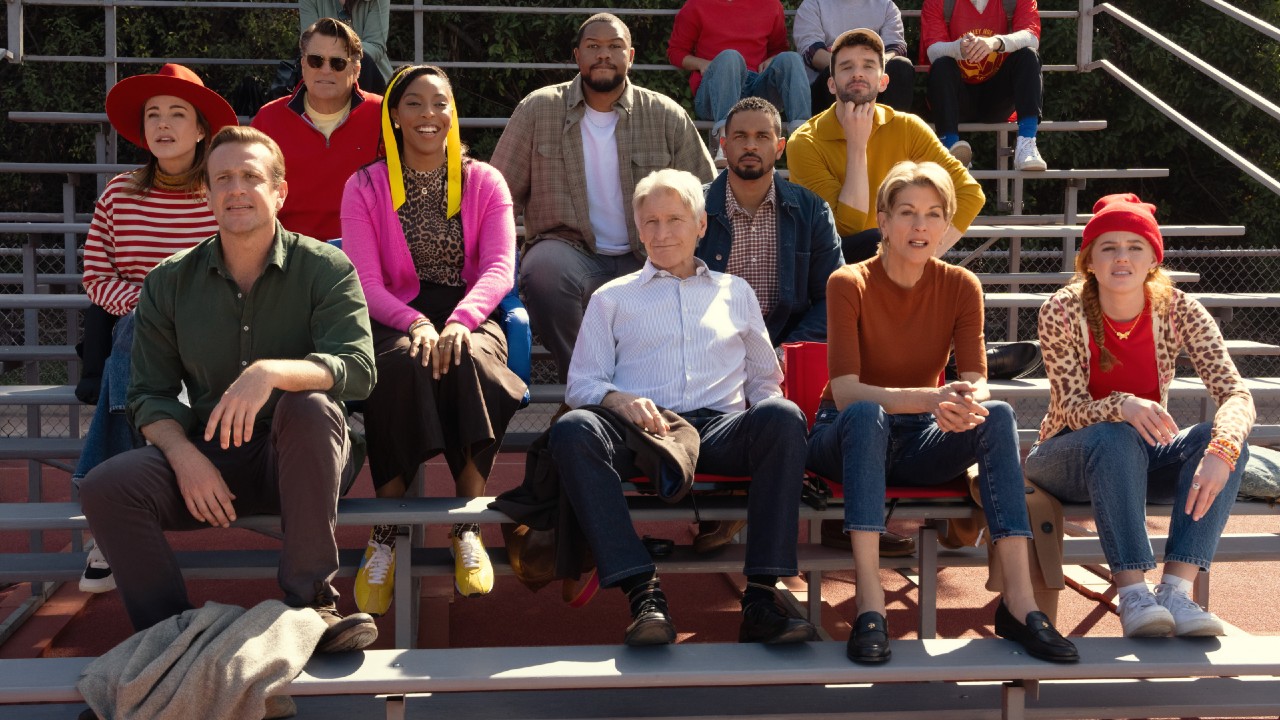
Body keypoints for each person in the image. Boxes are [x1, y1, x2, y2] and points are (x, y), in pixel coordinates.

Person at [78, 126, 380, 653]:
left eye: (250, 176)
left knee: (308, 405)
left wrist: (271, 372)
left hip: (303, 457)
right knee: (106, 486)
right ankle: (171, 638)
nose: (236, 189)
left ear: (280, 191)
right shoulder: (169, 280)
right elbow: (149, 393)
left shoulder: (326, 267)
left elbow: (358, 367)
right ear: (207, 194)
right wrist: (181, 454)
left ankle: (312, 605)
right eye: (222, 179)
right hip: (211, 458)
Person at [805, 161, 1077, 665]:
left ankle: (1019, 603)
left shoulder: (961, 285)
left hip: (918, 437)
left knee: (995, 414)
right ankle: (870, 606)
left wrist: (963, 401)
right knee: (866, 415)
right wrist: (934, 399)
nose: (920, 226)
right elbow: (844, 392)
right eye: (906, 212)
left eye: (933, 214)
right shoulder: (848, 282)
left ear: (947, 224)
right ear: (883, 221)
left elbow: (975, 377)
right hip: (844, 436)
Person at [550, 168, 817, 647]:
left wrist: (776, 426)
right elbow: (582, 384)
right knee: (574, 428)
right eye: (649, 221)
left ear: (701, 225)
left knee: (783, 416)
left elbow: (763, 380)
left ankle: (760, 597)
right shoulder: (612, 298)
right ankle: (643, 593)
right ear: (637, 228)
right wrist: (618, 399)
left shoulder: (736, 292)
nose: (661, 232)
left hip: (720, 430)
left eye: (674, 219)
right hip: (645, 434)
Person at [695, 97, 925, 557]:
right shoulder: (696, 206)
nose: (750, 146)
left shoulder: (810, 208)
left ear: (779, 147)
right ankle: (726, 502)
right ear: (722, 144)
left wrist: (793, 347)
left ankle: (847, 516)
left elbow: (833, 293)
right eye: (740, 136)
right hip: (714, 343)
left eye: (762, 136)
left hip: (790, 340)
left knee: (850, 360)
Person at [340, 65, 528, 615]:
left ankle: (465, 522)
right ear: (394, 116)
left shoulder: (484, 180)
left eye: (440, 104)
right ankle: (387, 529)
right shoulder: (365, 185)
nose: (429, 115)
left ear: (453, 113)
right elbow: (365, 282)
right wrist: (417, 323)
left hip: (469, 314)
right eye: (416, 104)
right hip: (394, 315)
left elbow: (498, 268)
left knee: (470, 360)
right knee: (399, 368)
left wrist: (458, 322)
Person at [1024, 194, 1254, 638]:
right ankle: (1132, 592)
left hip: (1140, 458)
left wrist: (1222, 450)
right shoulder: (1061, 309)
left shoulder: (1180, 309)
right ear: (1089, 260)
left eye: (1135, 246)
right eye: (1109, 247)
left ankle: (1175, 591)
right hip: (1062, 457)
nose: (1122, 257)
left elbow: (1236, 393)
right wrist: (1122, 405)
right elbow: (1070, 407)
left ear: (1153, 258)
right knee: (1116, 436)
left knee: (1220, 439)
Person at [75, 63, 239, 594]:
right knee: (132, 331)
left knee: (134, 332)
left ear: (200, 130)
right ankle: (116, 500)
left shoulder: (220, 192)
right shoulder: (117, 196)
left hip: (208, 328)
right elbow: (97, 277)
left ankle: (103, 498)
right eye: (153, 115)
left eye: (177, 114)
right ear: (142, 130)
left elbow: (238, 265)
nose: (163, 124)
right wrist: (146, 306)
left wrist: (170, 309)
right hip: (137, 329)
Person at [490, 13, 715, 384]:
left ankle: (628, 392)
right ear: (577, 56)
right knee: (543, 269)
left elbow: (706, 195)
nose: (603, 55)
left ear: (631, 55)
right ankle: (589, 384)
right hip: (570, 253)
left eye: (614, 46)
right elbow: (497, 197)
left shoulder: (665, 114)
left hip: (648, 255)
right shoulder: (538, 109)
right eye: (593, 46)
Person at [787, 28, 983, 265]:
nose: (857, 74)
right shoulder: (804, 141)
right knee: (871, 240)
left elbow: (970, 194)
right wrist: (857, 146)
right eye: (847, 67)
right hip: (832, 266)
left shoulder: (908, 128)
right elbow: (848, 228)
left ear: (883, 82)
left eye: (868, 66)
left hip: (892, 263)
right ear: (831, 84)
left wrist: (918, 260)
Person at [252, 17, 382, 241]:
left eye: (337, 63)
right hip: (290, 252)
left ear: (356, 69)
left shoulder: (382, 114)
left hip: (365, 249)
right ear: (303, 64)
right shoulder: (268, 118)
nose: (325, 70)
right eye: (316, 60)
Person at [666, 0, 811, 167]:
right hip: (715, 91)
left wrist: (771, 59)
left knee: (792, 58)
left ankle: (803, 141)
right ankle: (724, 142)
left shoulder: (771, 4)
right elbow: (675, 52)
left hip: (756, 87)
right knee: (730, 57)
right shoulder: (697, 4)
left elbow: (779, 49)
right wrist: (702, 64)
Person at [921, 0, 1046, 171]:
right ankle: (950, 148)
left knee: (1029, 55)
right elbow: (933, 50)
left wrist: (996, 42)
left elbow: (1032, 37)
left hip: (996, 97)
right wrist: (958, 48)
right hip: (957, 97)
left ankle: (1027, 143)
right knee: (942, 64)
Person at [794, 0, 915, 113]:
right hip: (830, 82)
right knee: (832, 72)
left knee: (901, 66)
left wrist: (869, 67)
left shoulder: (886, 5)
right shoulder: (813, 4)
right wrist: (850, 67)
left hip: (874, 79)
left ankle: (893, 130)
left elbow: (895, 48)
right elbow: (813, 53)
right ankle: (835, 134)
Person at [299, 0, 393, 94]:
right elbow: (309, 45)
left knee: (365, 60)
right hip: (321, 74)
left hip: (369, 76)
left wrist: (341, 56)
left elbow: (376, 46)